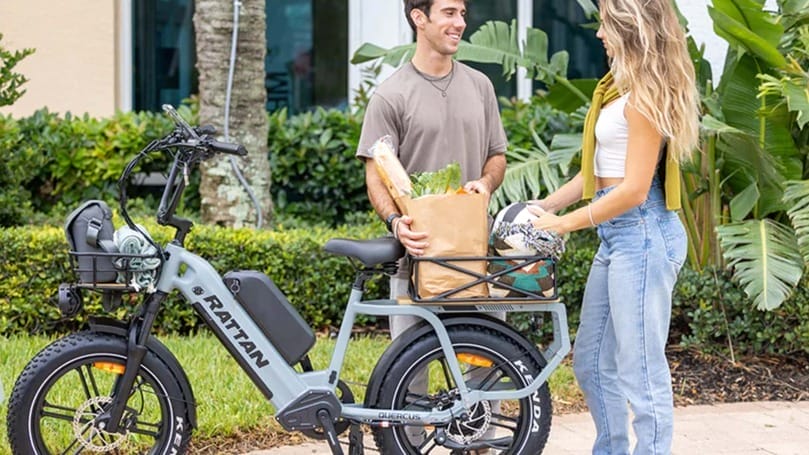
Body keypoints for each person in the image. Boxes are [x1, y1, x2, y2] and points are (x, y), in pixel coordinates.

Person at [528, 0, 700, 454]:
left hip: (642, 235)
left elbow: (634, 190)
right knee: (589, 361)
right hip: (618, 236)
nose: (600, 35)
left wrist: (562, 224)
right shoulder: (618, 90)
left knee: (641, 371)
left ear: (628, 28)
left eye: (605, 25)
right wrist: (541, 206)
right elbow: (596, 175)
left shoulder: (645, 99)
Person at [355, 0, 507, 450]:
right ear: (419, 18)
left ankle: (481, 444)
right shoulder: (391, 94)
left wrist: (484, 181)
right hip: (415, 259)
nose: (460, 22)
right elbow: (376, 173)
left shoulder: (480, 86)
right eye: (448, 12)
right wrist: (396, 221)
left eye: (462, 13)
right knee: (410, 377)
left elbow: (496, 155)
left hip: (476, 262)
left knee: (486, 370)